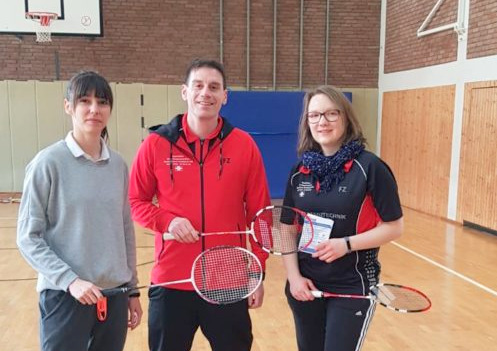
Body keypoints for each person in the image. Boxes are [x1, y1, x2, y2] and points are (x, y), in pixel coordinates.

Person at [128, 58, 271, 351]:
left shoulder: (245, 145)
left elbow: (261, 215)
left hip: (228, 280)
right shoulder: (155, 144)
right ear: (185, 92)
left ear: (225, 96)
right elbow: (135, 201)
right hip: (171, 281)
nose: (205, 93)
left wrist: (257, 271)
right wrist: (167, 221)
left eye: (214, 87)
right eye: (198, 85)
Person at [17, 71, 142, 351]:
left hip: (114, 296)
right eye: (85, 101)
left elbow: (124, 230)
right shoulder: (47, 163)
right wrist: (70, 281)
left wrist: (132, 289)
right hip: (65, 296)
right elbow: (28, 237)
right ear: (68, 107)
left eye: (102, 102)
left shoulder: (118, 165)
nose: (94, 109)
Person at [282, 86, 403, 351]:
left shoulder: (371, 167)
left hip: (351, 285)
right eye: (314, 116)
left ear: (345, 118)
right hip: (306, 285)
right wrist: (294, 277)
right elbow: (287, 228)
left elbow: (394, 227)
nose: (321, 122)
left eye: (330, 114)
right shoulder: (299, 171)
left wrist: (345, 244)